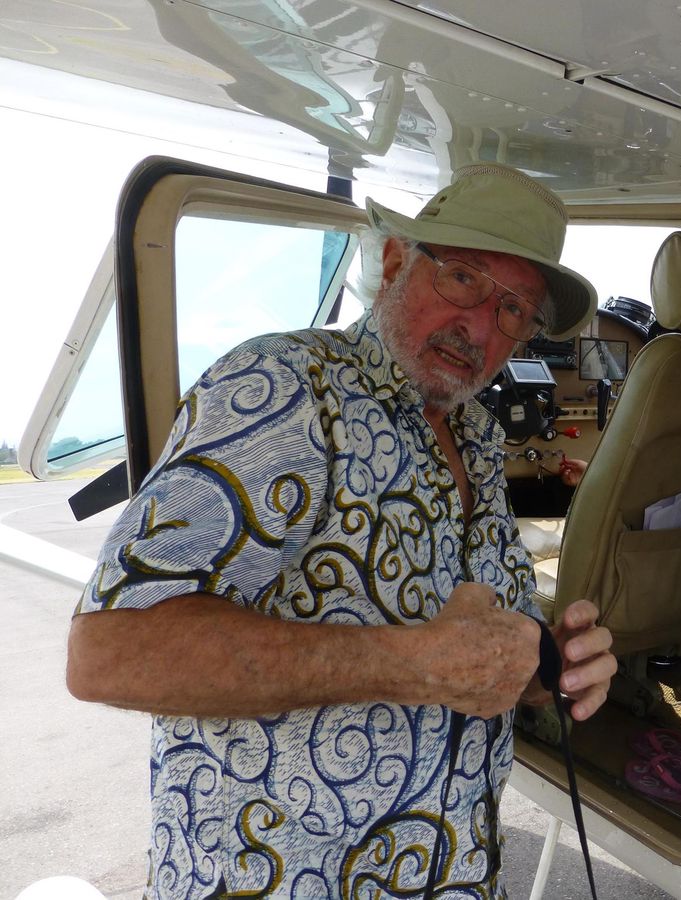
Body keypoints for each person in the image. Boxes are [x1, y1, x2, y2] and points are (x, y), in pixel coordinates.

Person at [66, 163, 617, 898]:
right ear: (394, 263)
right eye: (462, 278)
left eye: (515, 309)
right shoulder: (285, 387)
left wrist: (549, 663)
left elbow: (473, 658)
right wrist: (416, 663)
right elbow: (110, 651)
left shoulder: (478, 437)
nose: (480, 324)